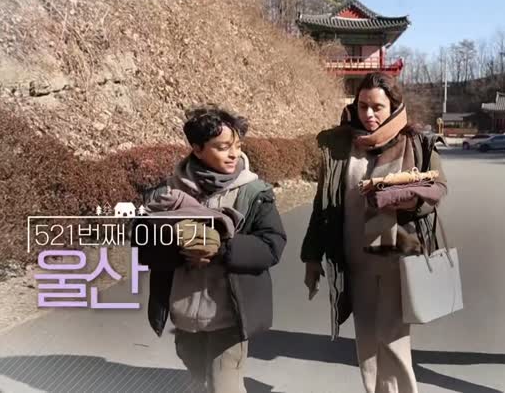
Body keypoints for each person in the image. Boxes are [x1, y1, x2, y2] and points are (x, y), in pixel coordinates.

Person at [301, 72, 448, 393]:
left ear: (394, 106)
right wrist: (312, 256)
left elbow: (437, 190)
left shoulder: (416, 142)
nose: (368, 114)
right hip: (355, 260)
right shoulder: (340, 145)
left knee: (393, 340)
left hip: (399, 258)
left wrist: (396, 195)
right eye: (362, 106)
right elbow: (323, 205)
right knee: (366, 340)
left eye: (377, 107)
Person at [131, 105, 287, 393]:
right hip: (184, 315)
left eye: (237, 146)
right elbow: (143, 244)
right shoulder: (167, 193)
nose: (233, 154)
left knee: (224, 386)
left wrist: (222, 246)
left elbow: (272, 245)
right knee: (199, 380)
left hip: (230, 314)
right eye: (223, 147)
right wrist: (180, 247)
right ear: (197, 148)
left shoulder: (254, 192)